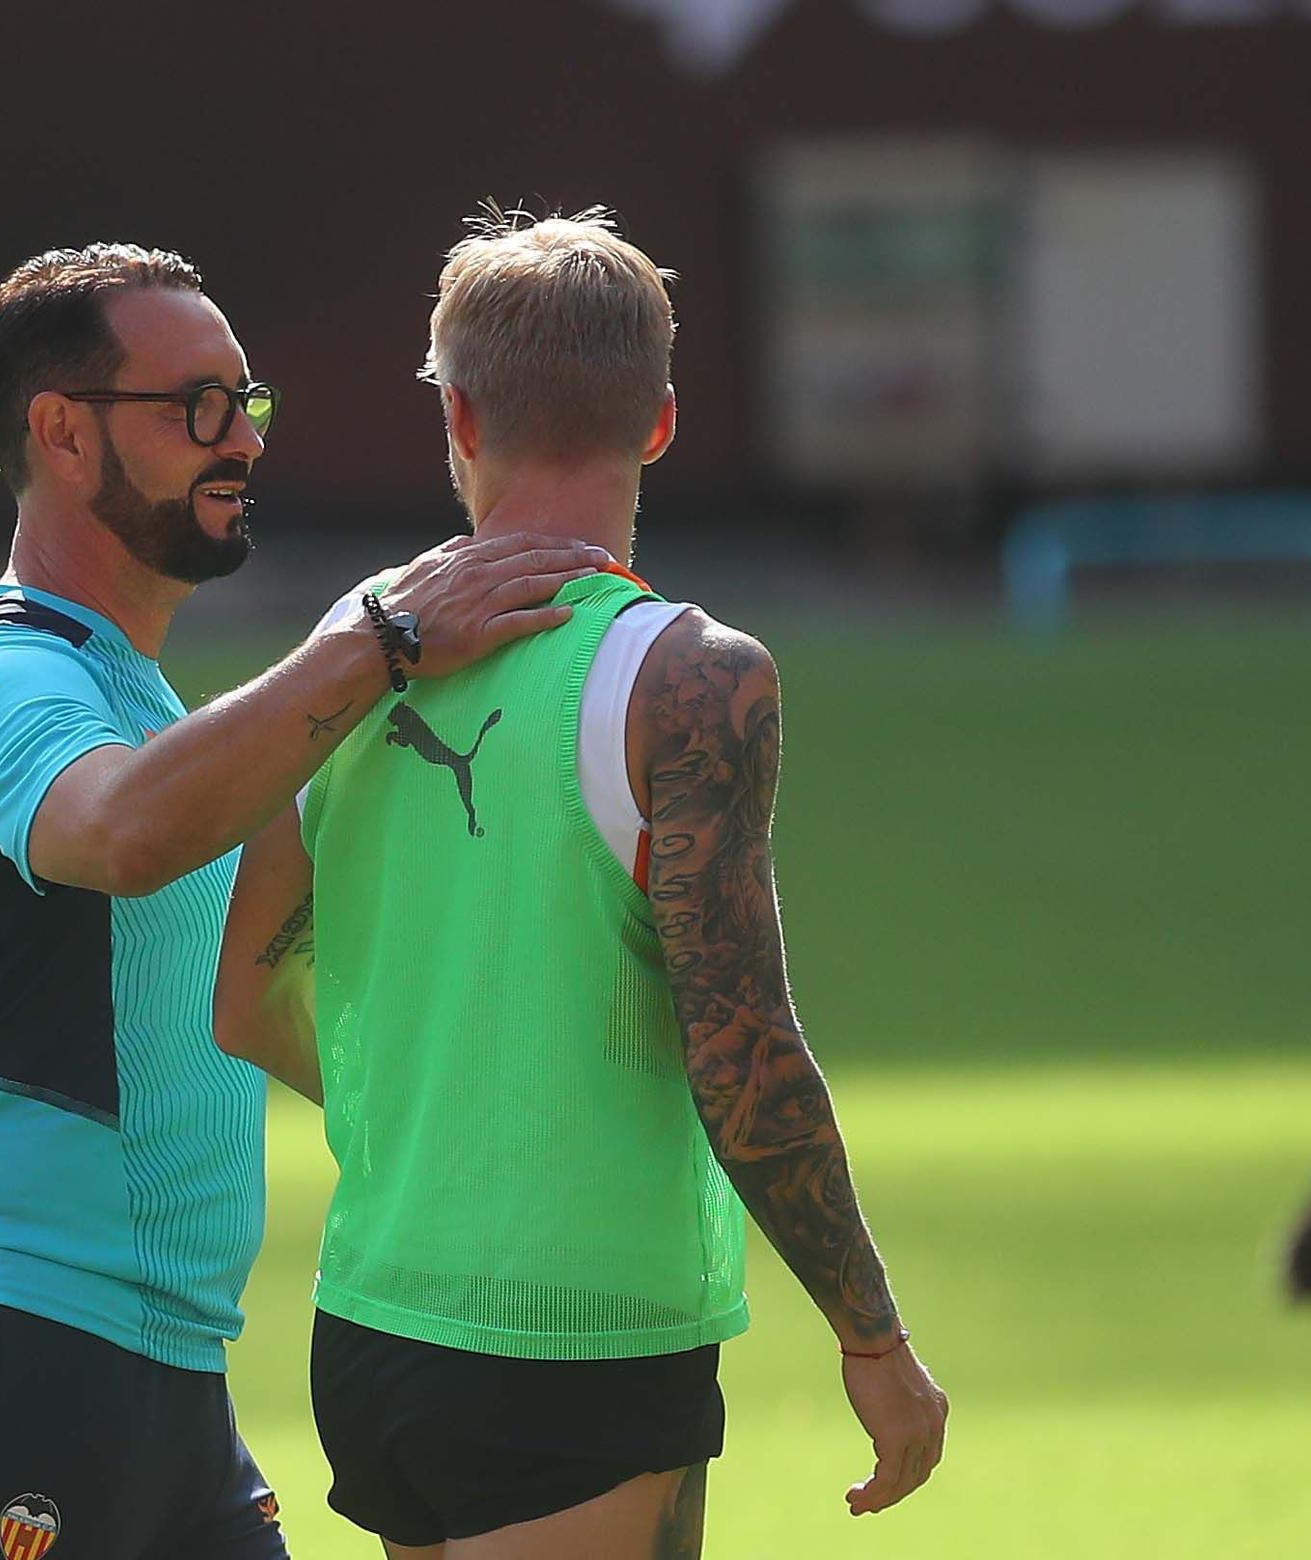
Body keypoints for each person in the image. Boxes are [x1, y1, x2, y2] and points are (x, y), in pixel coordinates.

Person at [0, 240, 608, 1560]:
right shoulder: (5, 681)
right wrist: (378, 639)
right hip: (25, 1345)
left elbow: (253, 1004)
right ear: (63, 435)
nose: (237, 439)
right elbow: (122, 833)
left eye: (246, 401)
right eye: (195, 405)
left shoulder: (143, 713)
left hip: (151, 1367)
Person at [214, 208, 949, 1558]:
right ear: (660, 423)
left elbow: (245, 998)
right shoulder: (691, 676)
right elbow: (744, 1051)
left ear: (465, 417)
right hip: (580, 1348)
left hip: (373, 1327)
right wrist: (872, 1338)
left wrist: (447, 1108)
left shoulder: (341, 648)